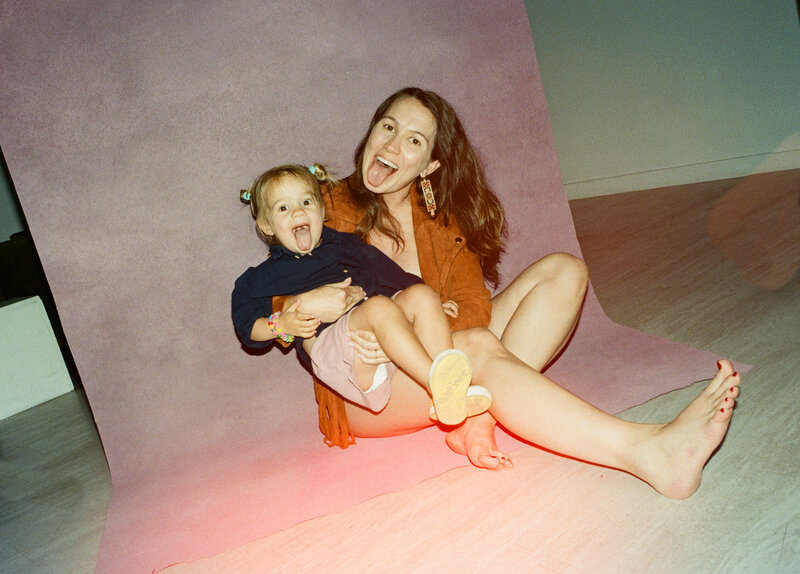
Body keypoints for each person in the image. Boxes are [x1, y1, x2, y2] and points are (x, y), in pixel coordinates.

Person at [271, 87, 742, 500]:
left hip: (435, 353)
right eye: (388, 126)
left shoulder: (440, 221)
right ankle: (648, 452)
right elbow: (283, 296)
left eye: (414, 140)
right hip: (362, 391)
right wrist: (347, 318)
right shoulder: (322, 204)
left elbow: (473, 304)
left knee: (564, 271)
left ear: (430, 164)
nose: (394, 144)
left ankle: (478, 412)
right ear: (371, 131)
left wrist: (426, 317)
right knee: (475, 347)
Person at [232, 163, 492, 426]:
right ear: (266, 225)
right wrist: (281, 325)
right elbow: (248, 328)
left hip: (374, 337)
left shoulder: (346, 245)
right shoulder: (262, 276)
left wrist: (434, 302)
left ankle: (449, 389)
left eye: (306, 201)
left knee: (422, 295)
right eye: (283, 208)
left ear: (322, 211)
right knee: (379, 307)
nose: (298, 211)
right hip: (334, 352)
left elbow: (389, 274)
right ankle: (438, 385)